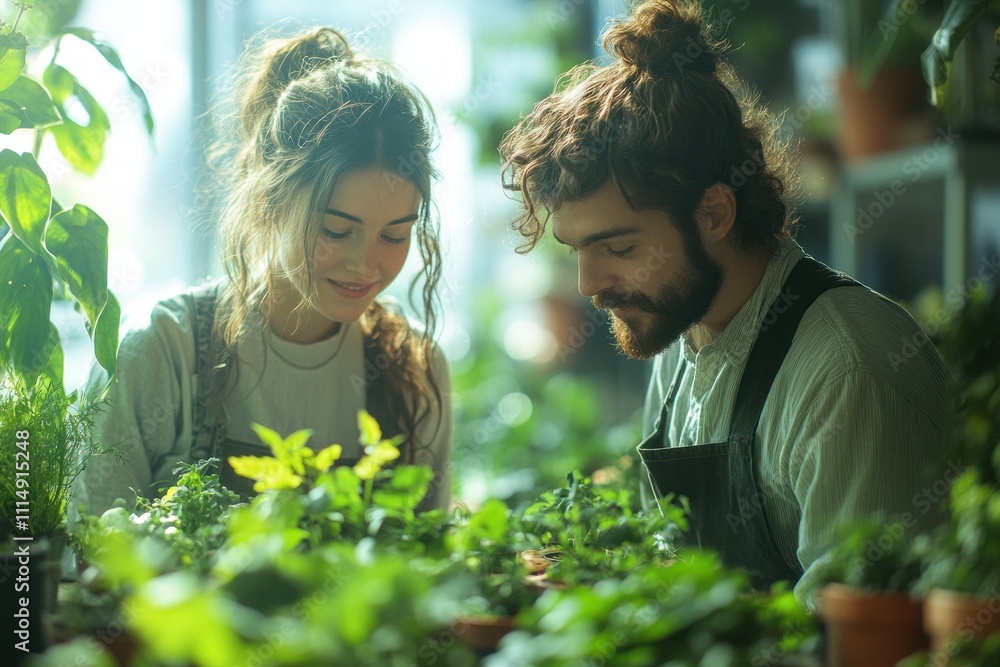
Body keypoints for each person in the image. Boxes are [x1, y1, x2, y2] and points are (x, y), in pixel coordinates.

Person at [499, 0, 953, 603]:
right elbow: (678, 567)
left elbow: (856, 634)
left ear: (714, 211)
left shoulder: (849, 370)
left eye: (620, 247)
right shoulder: (679, 331)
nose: (588, 284)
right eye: (576, 249)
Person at [72, 26, 452, 518]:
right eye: (336, 231)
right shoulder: (160, 352)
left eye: (395, 236)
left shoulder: (413, 369)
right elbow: (93, 547)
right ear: (268, 199)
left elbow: (429, 553)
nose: (366, 263)